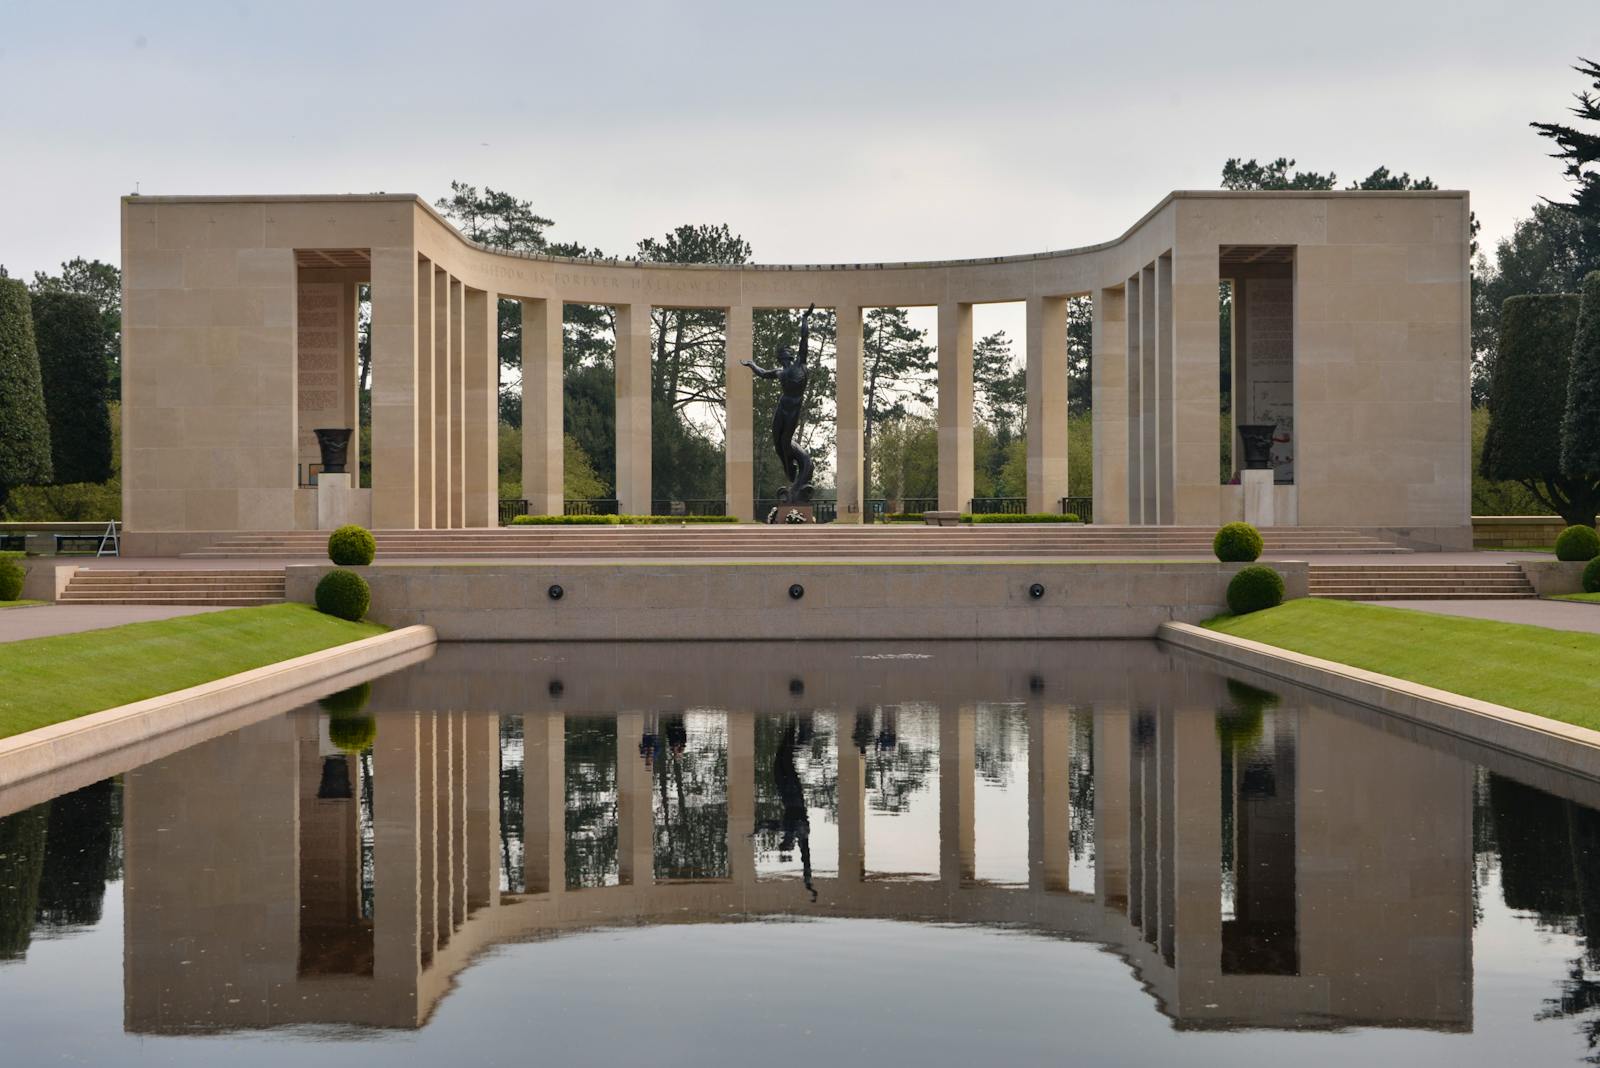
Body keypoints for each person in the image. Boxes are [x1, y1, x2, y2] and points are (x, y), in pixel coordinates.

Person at [741, 303, 816, 505]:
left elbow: (804, 338)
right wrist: (751, 364)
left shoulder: (801, 363)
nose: (782, 359)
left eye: (784, 356)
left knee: (785, 442)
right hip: (782, 406)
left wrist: (805, 318)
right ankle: (788, 466)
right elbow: (764, 373)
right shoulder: (780, 372)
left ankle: (793, 470)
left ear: (790, 356)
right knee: (776, 440)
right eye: (780, 357)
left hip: (794, 407)